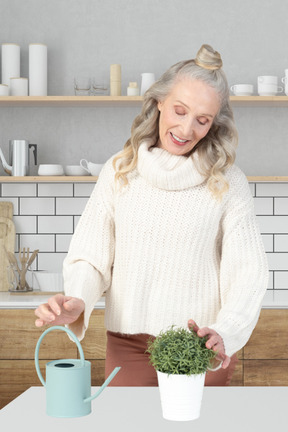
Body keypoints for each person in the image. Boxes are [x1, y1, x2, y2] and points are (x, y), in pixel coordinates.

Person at [35, 44, 269, 386]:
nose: (187, 129)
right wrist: (77, 300)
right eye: (179, 110)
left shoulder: (228, 182)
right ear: (159, 101)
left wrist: (226, 331)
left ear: (213, 124)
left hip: (200, 347)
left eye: (202, 120)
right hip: (128, 344)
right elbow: (91, 255)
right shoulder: (121, 170)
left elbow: (248, 273)